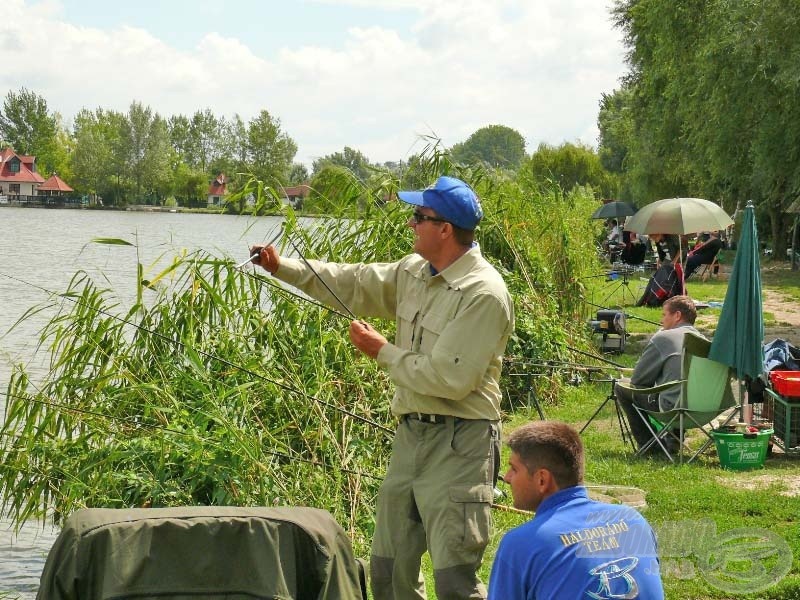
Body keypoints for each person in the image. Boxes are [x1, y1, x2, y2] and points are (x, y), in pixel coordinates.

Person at [250, 175, 515, 600]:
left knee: (454, 580)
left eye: (418, 216)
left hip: (461, 443)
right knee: (388, 571)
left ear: (444, 229)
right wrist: (282, 267)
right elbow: (352, 282)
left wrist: (381, 351)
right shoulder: (413, 271)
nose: (411, 224)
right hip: (411, 436)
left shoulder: (483, 293)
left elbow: (451, 379)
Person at [487, 421, 664, 600]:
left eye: (514, 469)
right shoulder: (633, 520)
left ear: (542, 479)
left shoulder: (521, 544)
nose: (507, 478)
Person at [616, 295, 702, 453]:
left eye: (664, 314)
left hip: (673, 410)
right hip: (703, 410)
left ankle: (651, 447)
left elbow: (639, 380)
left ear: (677, 316)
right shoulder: (702, 340)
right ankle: (674, 440)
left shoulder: (664, 337)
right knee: (677, 389)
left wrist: (657, 336)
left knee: (622, 387)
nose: (662, 320)